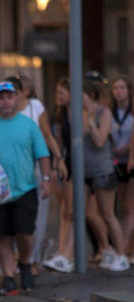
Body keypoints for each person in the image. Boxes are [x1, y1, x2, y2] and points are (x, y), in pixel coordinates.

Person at [0, 81, 51, 296]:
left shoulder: (28, 124)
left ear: (17, 98)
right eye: (1, 97)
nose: (5, 101)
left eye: (9, 97)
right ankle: (9, 276)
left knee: (25, 231)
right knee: (2, 235)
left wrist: (46, 178)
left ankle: (24, 262)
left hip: (25, 187)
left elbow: (42, 153)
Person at [5, 75, 66, 274]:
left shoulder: (35, 107)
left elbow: (47, 135)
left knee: (37, 214)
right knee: (13, 215)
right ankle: (18, 258)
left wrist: (58, 158)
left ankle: (32, 259)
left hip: (35, 168)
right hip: (12, 171)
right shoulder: (4, 111)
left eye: (17, 90)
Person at [81, 80, 130, 271]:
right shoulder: (78, 113)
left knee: (108, 213)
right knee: (87, 212)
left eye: (82, 95)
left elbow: (101, 141)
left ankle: (121, 254)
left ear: (90, 95)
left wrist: (92, 122)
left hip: (102, 169)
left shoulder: (104, 112)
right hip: (84, 170)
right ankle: (106, 248)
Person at [43, 78, 75, 272]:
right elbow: (59, 143)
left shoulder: (78, 114)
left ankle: (67, 254)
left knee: (72, 212)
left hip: (77, 165)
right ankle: (63, 252)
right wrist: (56, 165)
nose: (57, 97)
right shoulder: (60, 115)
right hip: (65, 163)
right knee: (65, 211)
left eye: (61, 93)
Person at [109, 77, 134, 261]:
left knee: (129, 206)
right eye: (116, 88)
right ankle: (126, 246)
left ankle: (125, 248)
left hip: (130, 159)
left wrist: (127, 151)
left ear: (129, 91)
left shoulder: (132, 113)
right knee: (121, 206)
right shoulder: (110, 112)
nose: (119, 91)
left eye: (122, 87)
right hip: (116, 161)